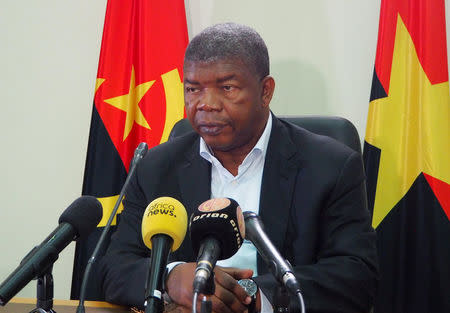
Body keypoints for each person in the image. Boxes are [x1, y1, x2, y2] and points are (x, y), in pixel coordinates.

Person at [100, 23, 378, 313]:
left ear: (265, 91)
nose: (206, 104)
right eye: (193, 89)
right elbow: (112, 267)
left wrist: (248, 296)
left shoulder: (330, 166)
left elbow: (355, 277)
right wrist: (170, 277)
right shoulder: (156, 167)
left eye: (226, 88)